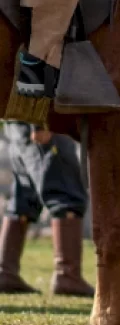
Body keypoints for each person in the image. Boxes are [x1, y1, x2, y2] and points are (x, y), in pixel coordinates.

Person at [0, 122, 93, 296]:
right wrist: (40, 123)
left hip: (17, 123)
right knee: (67, 195)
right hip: (43, 121)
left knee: (24, 198)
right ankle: (67, 275)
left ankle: (5, 272)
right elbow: (35, 92)